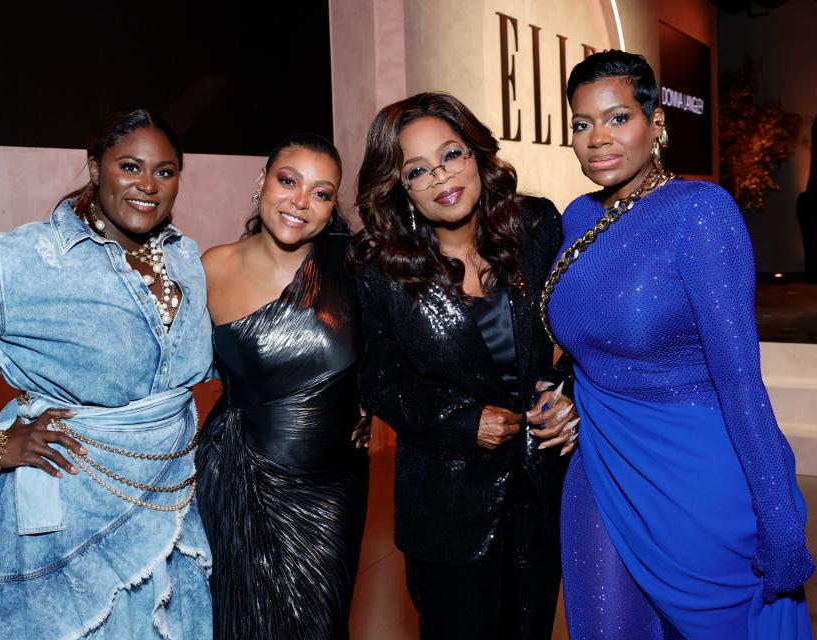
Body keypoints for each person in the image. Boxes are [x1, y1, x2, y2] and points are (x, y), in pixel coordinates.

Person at [0, 109, 214, 639]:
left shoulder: (186, 258)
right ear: (95, 167)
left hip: (168, 502)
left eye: (165, 172)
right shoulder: (25, 258)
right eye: (130, 166)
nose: (148, 185)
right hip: (68, 510)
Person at [545, 50, 813, 639]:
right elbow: (583, 340)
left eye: (617, 118)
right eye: (581, 123)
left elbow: (740, 378)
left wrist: (779, 515)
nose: (597, 139)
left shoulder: (701, 214)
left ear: (656, 121)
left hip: (693, 474)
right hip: (601, 463)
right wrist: (562, 391)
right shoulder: (577, 218)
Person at [349, 92, 576, 639]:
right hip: (446, 503)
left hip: (539, 491)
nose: (441, 177)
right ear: (399, 186)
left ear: (476, 154)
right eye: (418, 170)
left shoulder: (536, 227)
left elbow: (581, 331)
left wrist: (569, 396)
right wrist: (461, 422)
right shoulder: (380, 267)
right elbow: (378, 379)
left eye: (451, 154)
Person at [195, 133, 369, 640]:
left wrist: (374, 403)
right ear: (262, 181)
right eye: (288, 181)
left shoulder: (352, 264)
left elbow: (394, 351)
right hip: (234, 473)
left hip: (328, 487)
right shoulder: (211, 267)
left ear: (334, 205)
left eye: (321, 192)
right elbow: (166, 369)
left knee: (321, 624)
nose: (300, 201)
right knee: (234, 621)